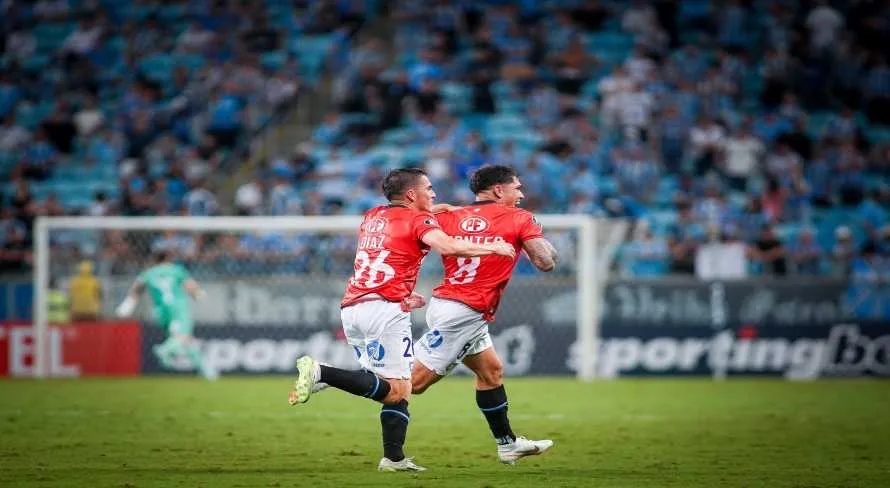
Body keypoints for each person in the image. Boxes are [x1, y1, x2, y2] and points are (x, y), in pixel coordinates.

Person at [287, 168, 515, 472]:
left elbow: (402, 239)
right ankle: (321, 372)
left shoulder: (372, 216)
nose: (434, 194)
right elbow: (447, 245)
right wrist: (494, 246)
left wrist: (406, 291)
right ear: (411, 195)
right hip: (384, 311)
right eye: (429, 188)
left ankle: (393, 458)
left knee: (390, 385)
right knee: (398, 389)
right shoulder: (419, 219)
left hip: (354, 307)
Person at [411, 165, 559, 464]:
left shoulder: (448, 216)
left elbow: (411, 233)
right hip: (465, 312)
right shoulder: (519, 218)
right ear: (498, 190)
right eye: (517, 188)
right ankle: (328, 375)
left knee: (491, 371)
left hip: (449, 304)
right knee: (411, 384)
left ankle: (507, 444)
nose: (521, 194)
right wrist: (533, 236)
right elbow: (545, 262)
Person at [114, 251, 217, 380]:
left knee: (187, 340)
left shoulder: (149, 273)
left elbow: (137, 289)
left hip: (161, 311)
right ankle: (165, 350)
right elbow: (190, 285)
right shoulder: (176, 270)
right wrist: (199, 294)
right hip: (178, 309)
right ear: (168, 259)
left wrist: (127, 305)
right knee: (182, 337)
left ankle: (206, 371)